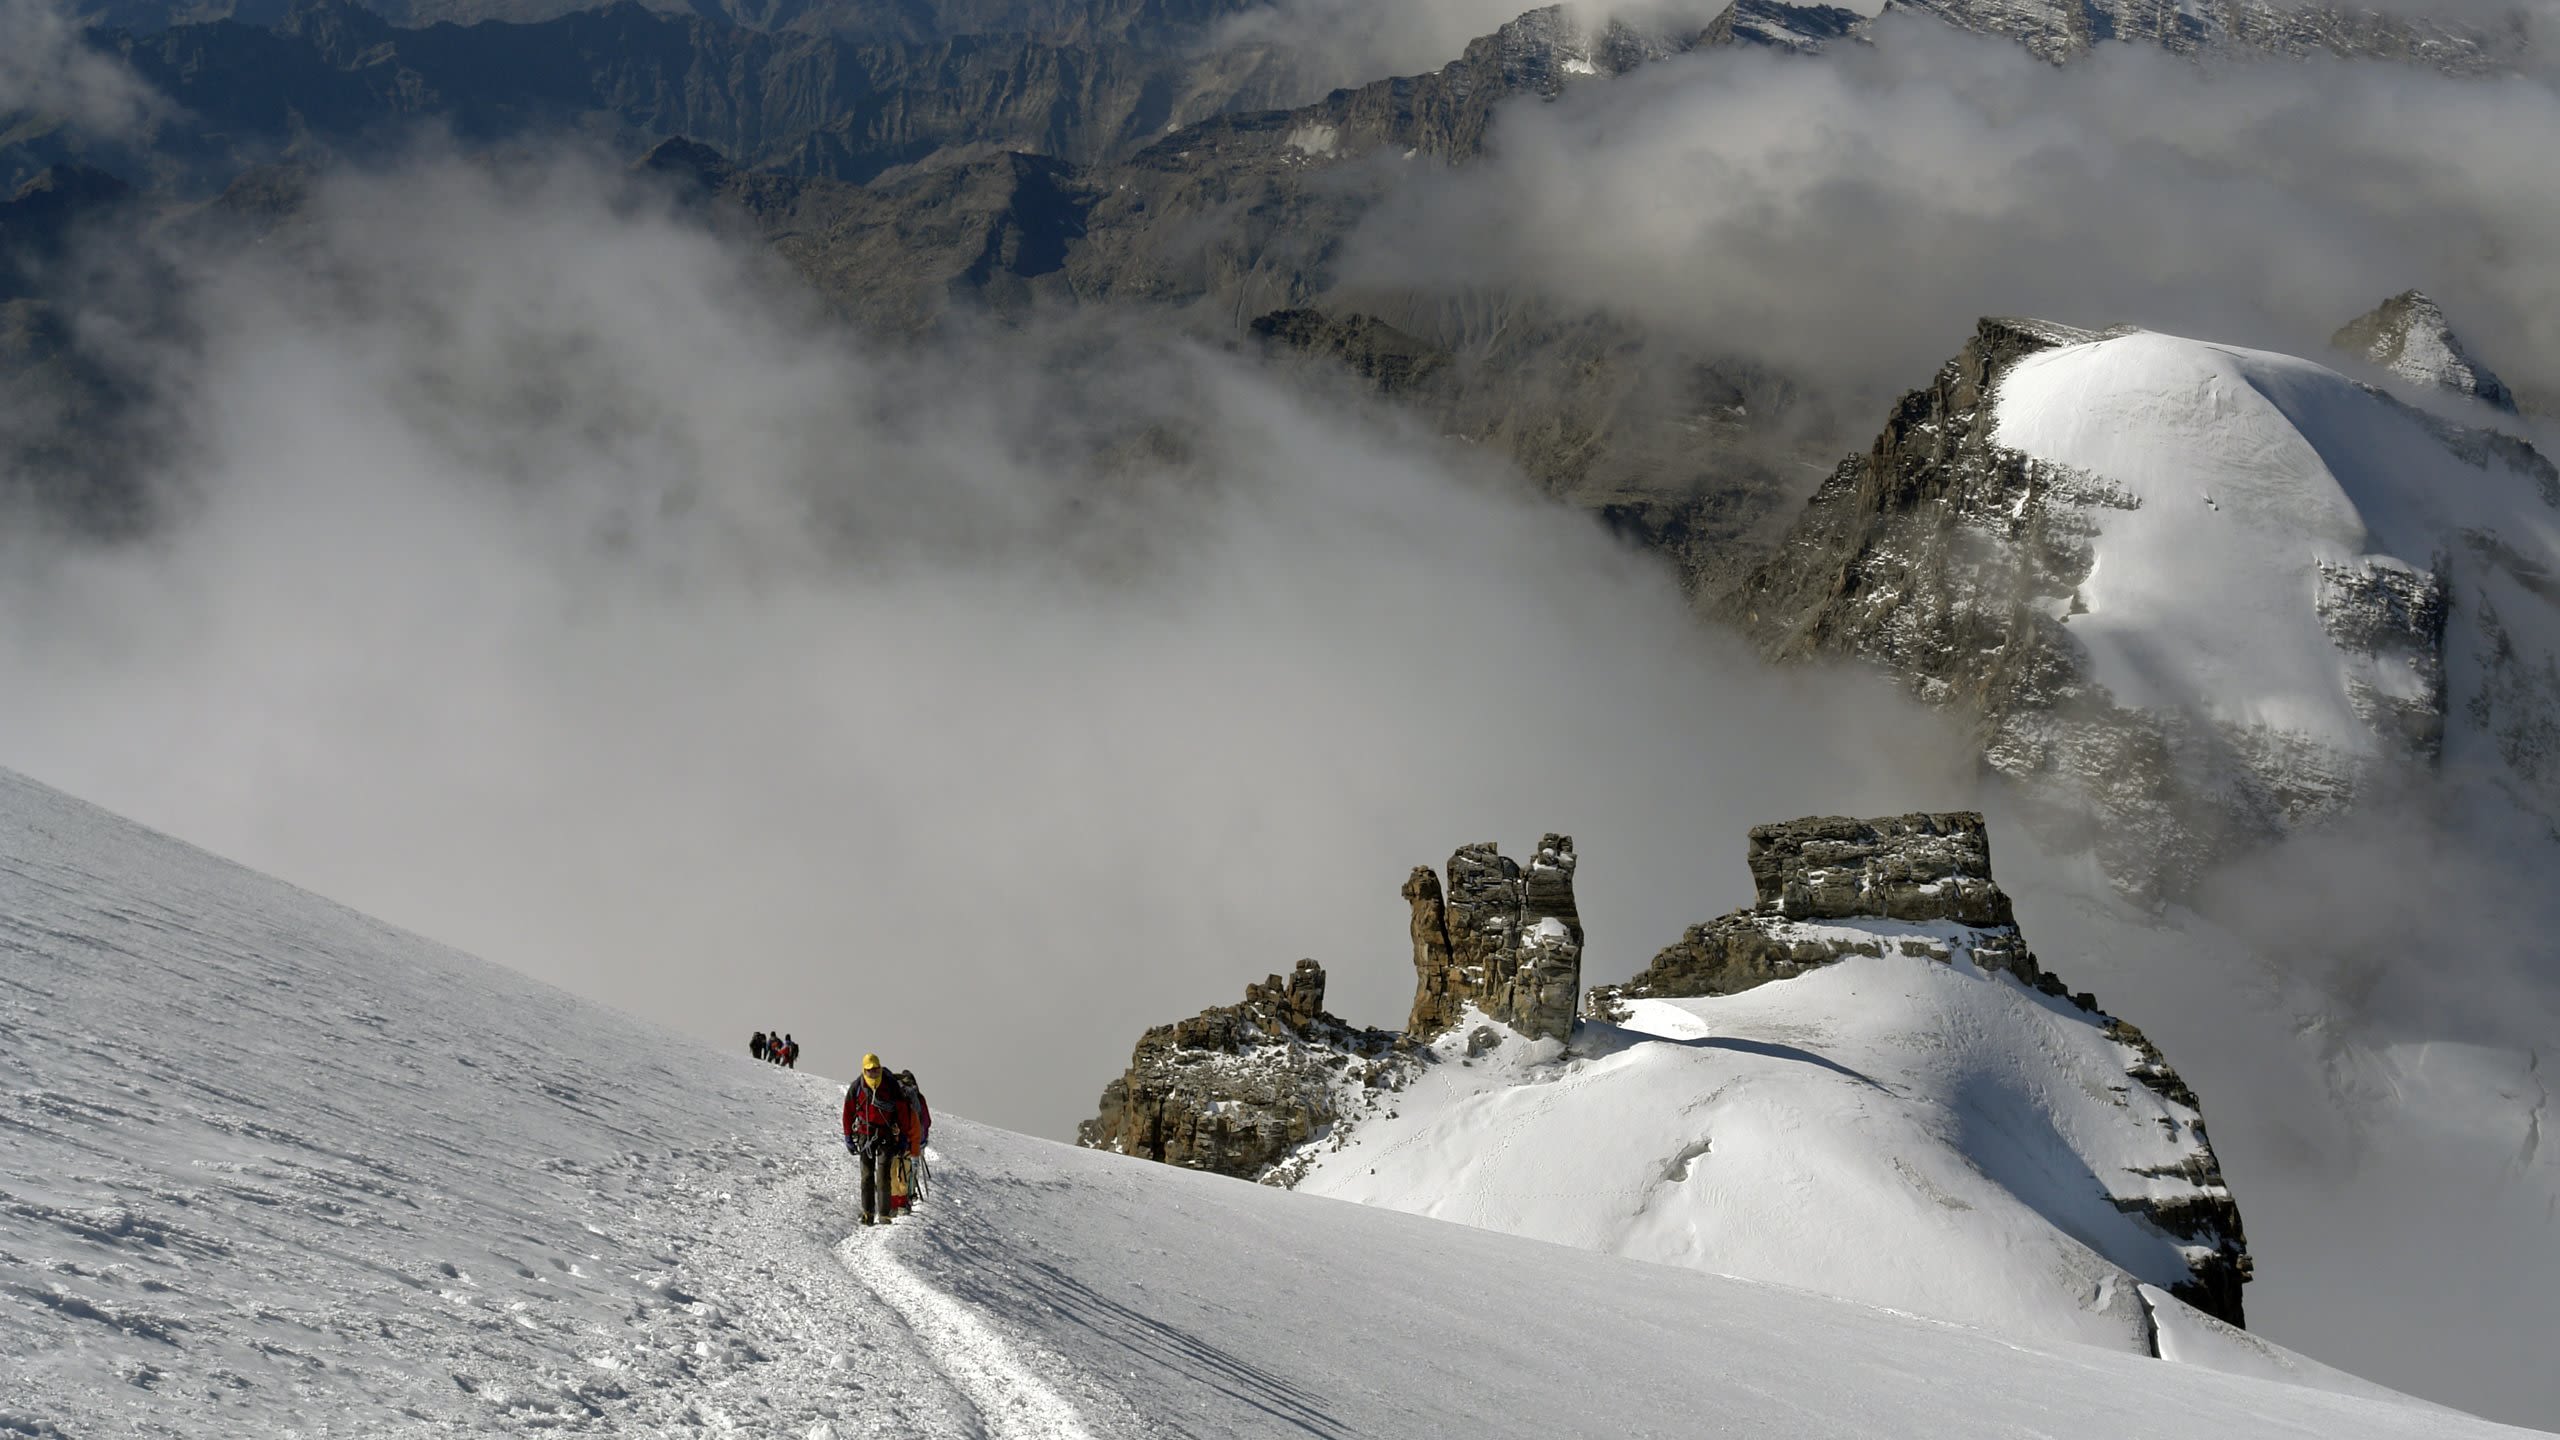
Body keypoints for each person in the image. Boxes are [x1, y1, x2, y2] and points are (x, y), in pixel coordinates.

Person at [842, 1054, 908, 1226]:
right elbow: (848, 1111)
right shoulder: (858, 1086)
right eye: (870, 1070)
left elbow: (902, 1111)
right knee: (866, 1176)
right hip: (865, 1135)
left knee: (883, 1175)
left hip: (885, 1134)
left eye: (876, 1069)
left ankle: (884, 1214)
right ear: (864, 1069)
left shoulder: (890, 1084)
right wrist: (848, 1135)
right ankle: (868, 1213)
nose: (873, 1072)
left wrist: (903, 1138)